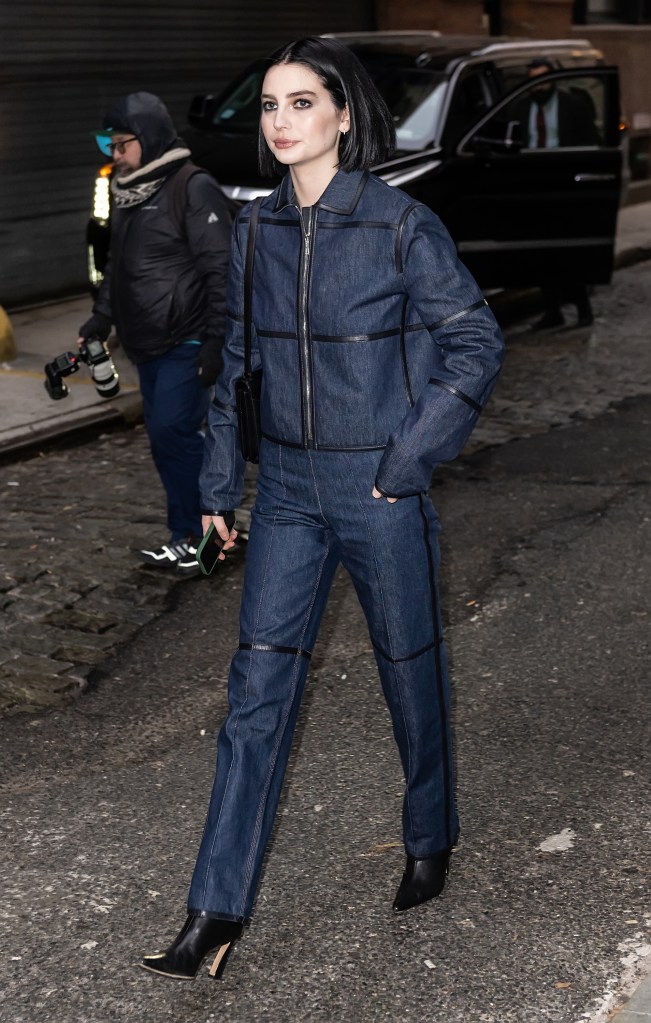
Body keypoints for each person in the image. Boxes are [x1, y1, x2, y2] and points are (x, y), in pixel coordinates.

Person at [140, 37, 505, 981]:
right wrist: (222, 485)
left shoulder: (397, 225)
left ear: (344, 115)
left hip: (377, 487)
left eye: (301, 102)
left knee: (407, 675)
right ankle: (212, 911)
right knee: (254, 694)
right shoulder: (253, 229)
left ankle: (430, 831)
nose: (280, 121)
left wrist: (406, 460)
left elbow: (473, 343)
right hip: (290, 494)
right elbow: (237, 366)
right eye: (269, 106)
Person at [79, 92, 232, 573]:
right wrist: (103, 316)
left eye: (121, 144)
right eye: (110, 145)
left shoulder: (191, 186)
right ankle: (200, 531)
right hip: (144, 343)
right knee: (169, 440)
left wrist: (215, 338)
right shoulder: (129, 190)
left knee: (174, 433)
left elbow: (221, 268)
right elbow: (116, 268)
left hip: (184, 337)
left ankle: (200, 535)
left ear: (146, 138)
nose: (115, 155)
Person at [519, 60, 600, 330]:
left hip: (564, 188)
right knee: (540, 254)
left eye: (543, 80)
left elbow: (591, 143)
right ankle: (552, 311)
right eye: (534, 80)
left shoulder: (572, 106)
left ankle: (583, 309)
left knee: (568, 254)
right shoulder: (521, 107)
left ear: (553, 80)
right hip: (533, 189)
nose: (539, 86)